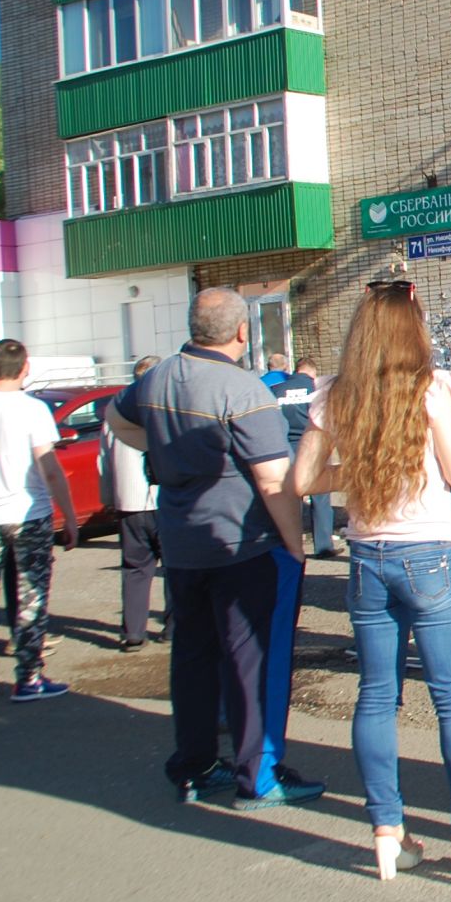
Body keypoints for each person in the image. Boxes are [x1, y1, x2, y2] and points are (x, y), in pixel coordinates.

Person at [291, 280, 451, 885]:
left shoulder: (334, 394)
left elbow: (302, 480)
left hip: (367, 557)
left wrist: (361, 471)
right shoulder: (431, 389)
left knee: (377, 695)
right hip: (431, 555)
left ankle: (386, 833)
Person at [106, 289, 323, 808]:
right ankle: (260, 774)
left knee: (194, 658)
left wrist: (164, 446)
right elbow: (274, 480)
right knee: (254, 663)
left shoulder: (156, 377)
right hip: (243, 545)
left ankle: (196, 764)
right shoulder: (241, 390)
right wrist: (295, 546)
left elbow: (117, 422)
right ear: (243, 332)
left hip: (182, 547)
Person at [0, 339, 80, 700]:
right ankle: (29, 676)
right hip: (29, 513)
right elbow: (50, 468)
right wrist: (69, 517)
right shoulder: (33, 410)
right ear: (25, 368)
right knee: (31, 594)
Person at [101, 354, 165, 650]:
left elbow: (103, 460)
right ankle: (175, 626)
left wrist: (109, 497)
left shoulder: (117, 410)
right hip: (163, 500)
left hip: (129, 501)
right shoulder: (163, 407)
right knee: (174, 566)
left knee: (135, 568)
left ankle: (133, 632)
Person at [269, 358, 337, 558]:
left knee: (289, 495)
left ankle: (288, 542)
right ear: (312, 373)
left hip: (285, 445)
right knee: (320, 496)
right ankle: (323, 546)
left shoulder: (278, 389)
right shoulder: (315, 388)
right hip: (311, 442)